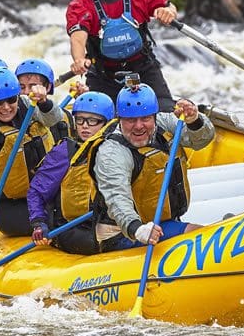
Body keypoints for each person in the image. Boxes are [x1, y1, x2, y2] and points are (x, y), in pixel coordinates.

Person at [91, 82, 215, 252]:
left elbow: (201, 140)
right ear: (120, 120)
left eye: (145, 118)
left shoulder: (164, 123)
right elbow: (116, 197)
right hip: (122, 233)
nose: (139, 126)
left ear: (154, 117)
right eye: (131, 120)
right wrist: (136, 229)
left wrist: (194, 120)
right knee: (199, 234)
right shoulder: (112, 153)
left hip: (159, 222)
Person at [0, 66, 66, 248]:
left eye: (11, 100)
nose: (6, 107)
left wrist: (44, 102)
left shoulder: (28, 104)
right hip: (14, 205)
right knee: (57, 219)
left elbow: (54, 119)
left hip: (51, 193)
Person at [66, 0, 179, 112]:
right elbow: (78, 39)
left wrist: (168, 11)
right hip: (103, 77)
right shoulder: (81, 3)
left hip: (144, 70)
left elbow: (169, 7)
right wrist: (79, 60)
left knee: (167, 116)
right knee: (97, 120)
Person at [26, 91, 116, 254]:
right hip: (74, 230)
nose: (85, 126)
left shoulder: (118, 150)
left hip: (107, 223)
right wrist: (39, 222)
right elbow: (37, 191)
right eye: (80, 119)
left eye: (92, 120)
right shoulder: (65, 151)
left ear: (107, 123)